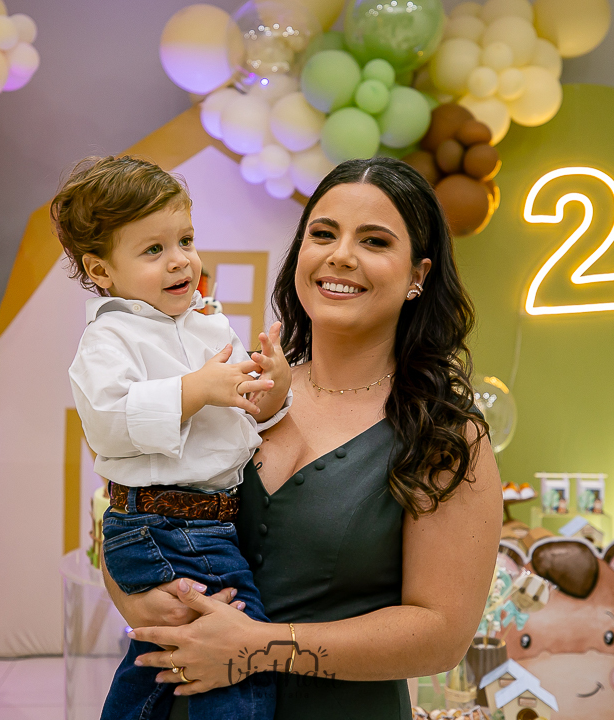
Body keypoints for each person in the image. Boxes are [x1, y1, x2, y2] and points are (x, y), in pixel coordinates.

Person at [102, 157, 503, 720]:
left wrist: (259, 648)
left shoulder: (444, 433)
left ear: (418, 274)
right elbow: (134, 517)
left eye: (375, 241)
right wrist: (139, 600)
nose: (341, 255)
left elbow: (441, 635)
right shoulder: (238, 387)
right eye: (323, 234)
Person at [54, 156, 293, 720]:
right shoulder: (110, 336)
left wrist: (273, 390)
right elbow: (109, 422)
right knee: (241, 653)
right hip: (163, 522)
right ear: (102, 270)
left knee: (165, 658)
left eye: (185, 239)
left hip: (205, 522)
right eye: (153, 249)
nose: (180, 259)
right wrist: (194, 389)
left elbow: (239, 420)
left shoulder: (207, 323)